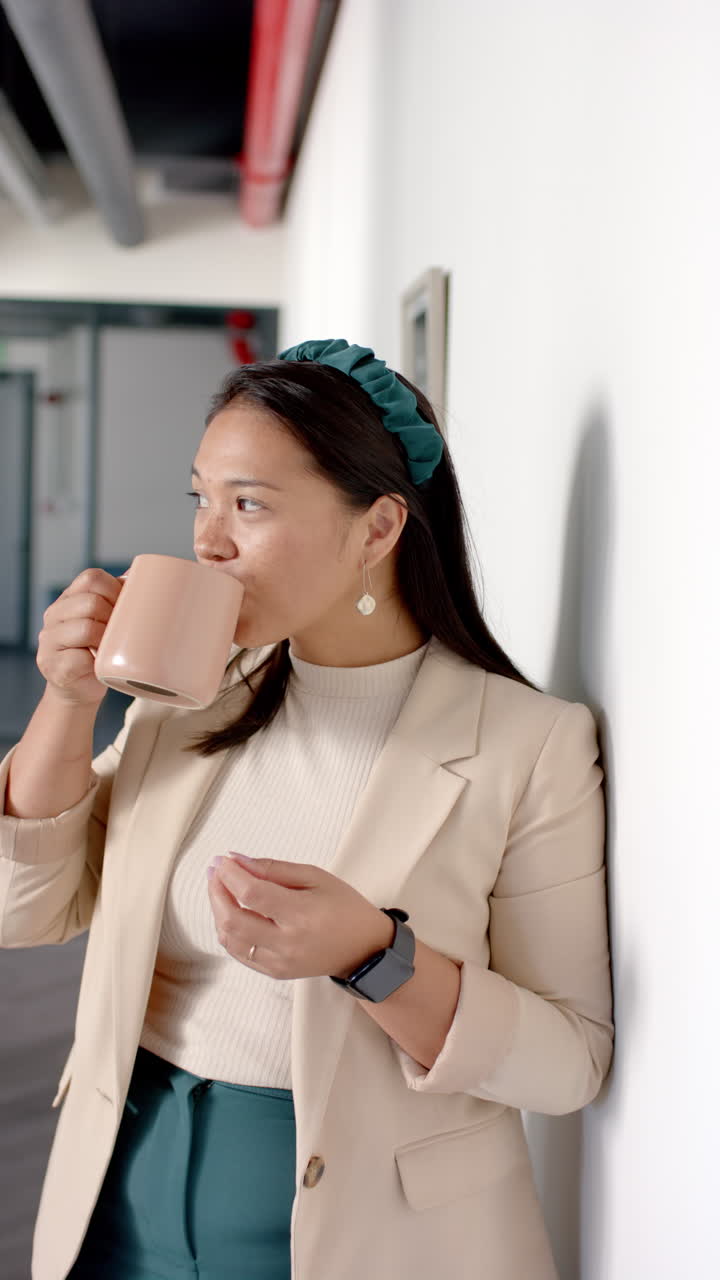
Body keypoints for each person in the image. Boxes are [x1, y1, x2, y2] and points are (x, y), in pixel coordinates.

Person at [0, 338, 614, 1280]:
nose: (208, 540)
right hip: (119, 1200)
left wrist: (374, 957)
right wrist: (69, 698)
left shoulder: (529, 744)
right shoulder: (191, 690)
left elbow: (569, 1061)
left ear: (377, 530)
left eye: (248, 504)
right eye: (201, 498)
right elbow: (25, 908)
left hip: (368, 1237)